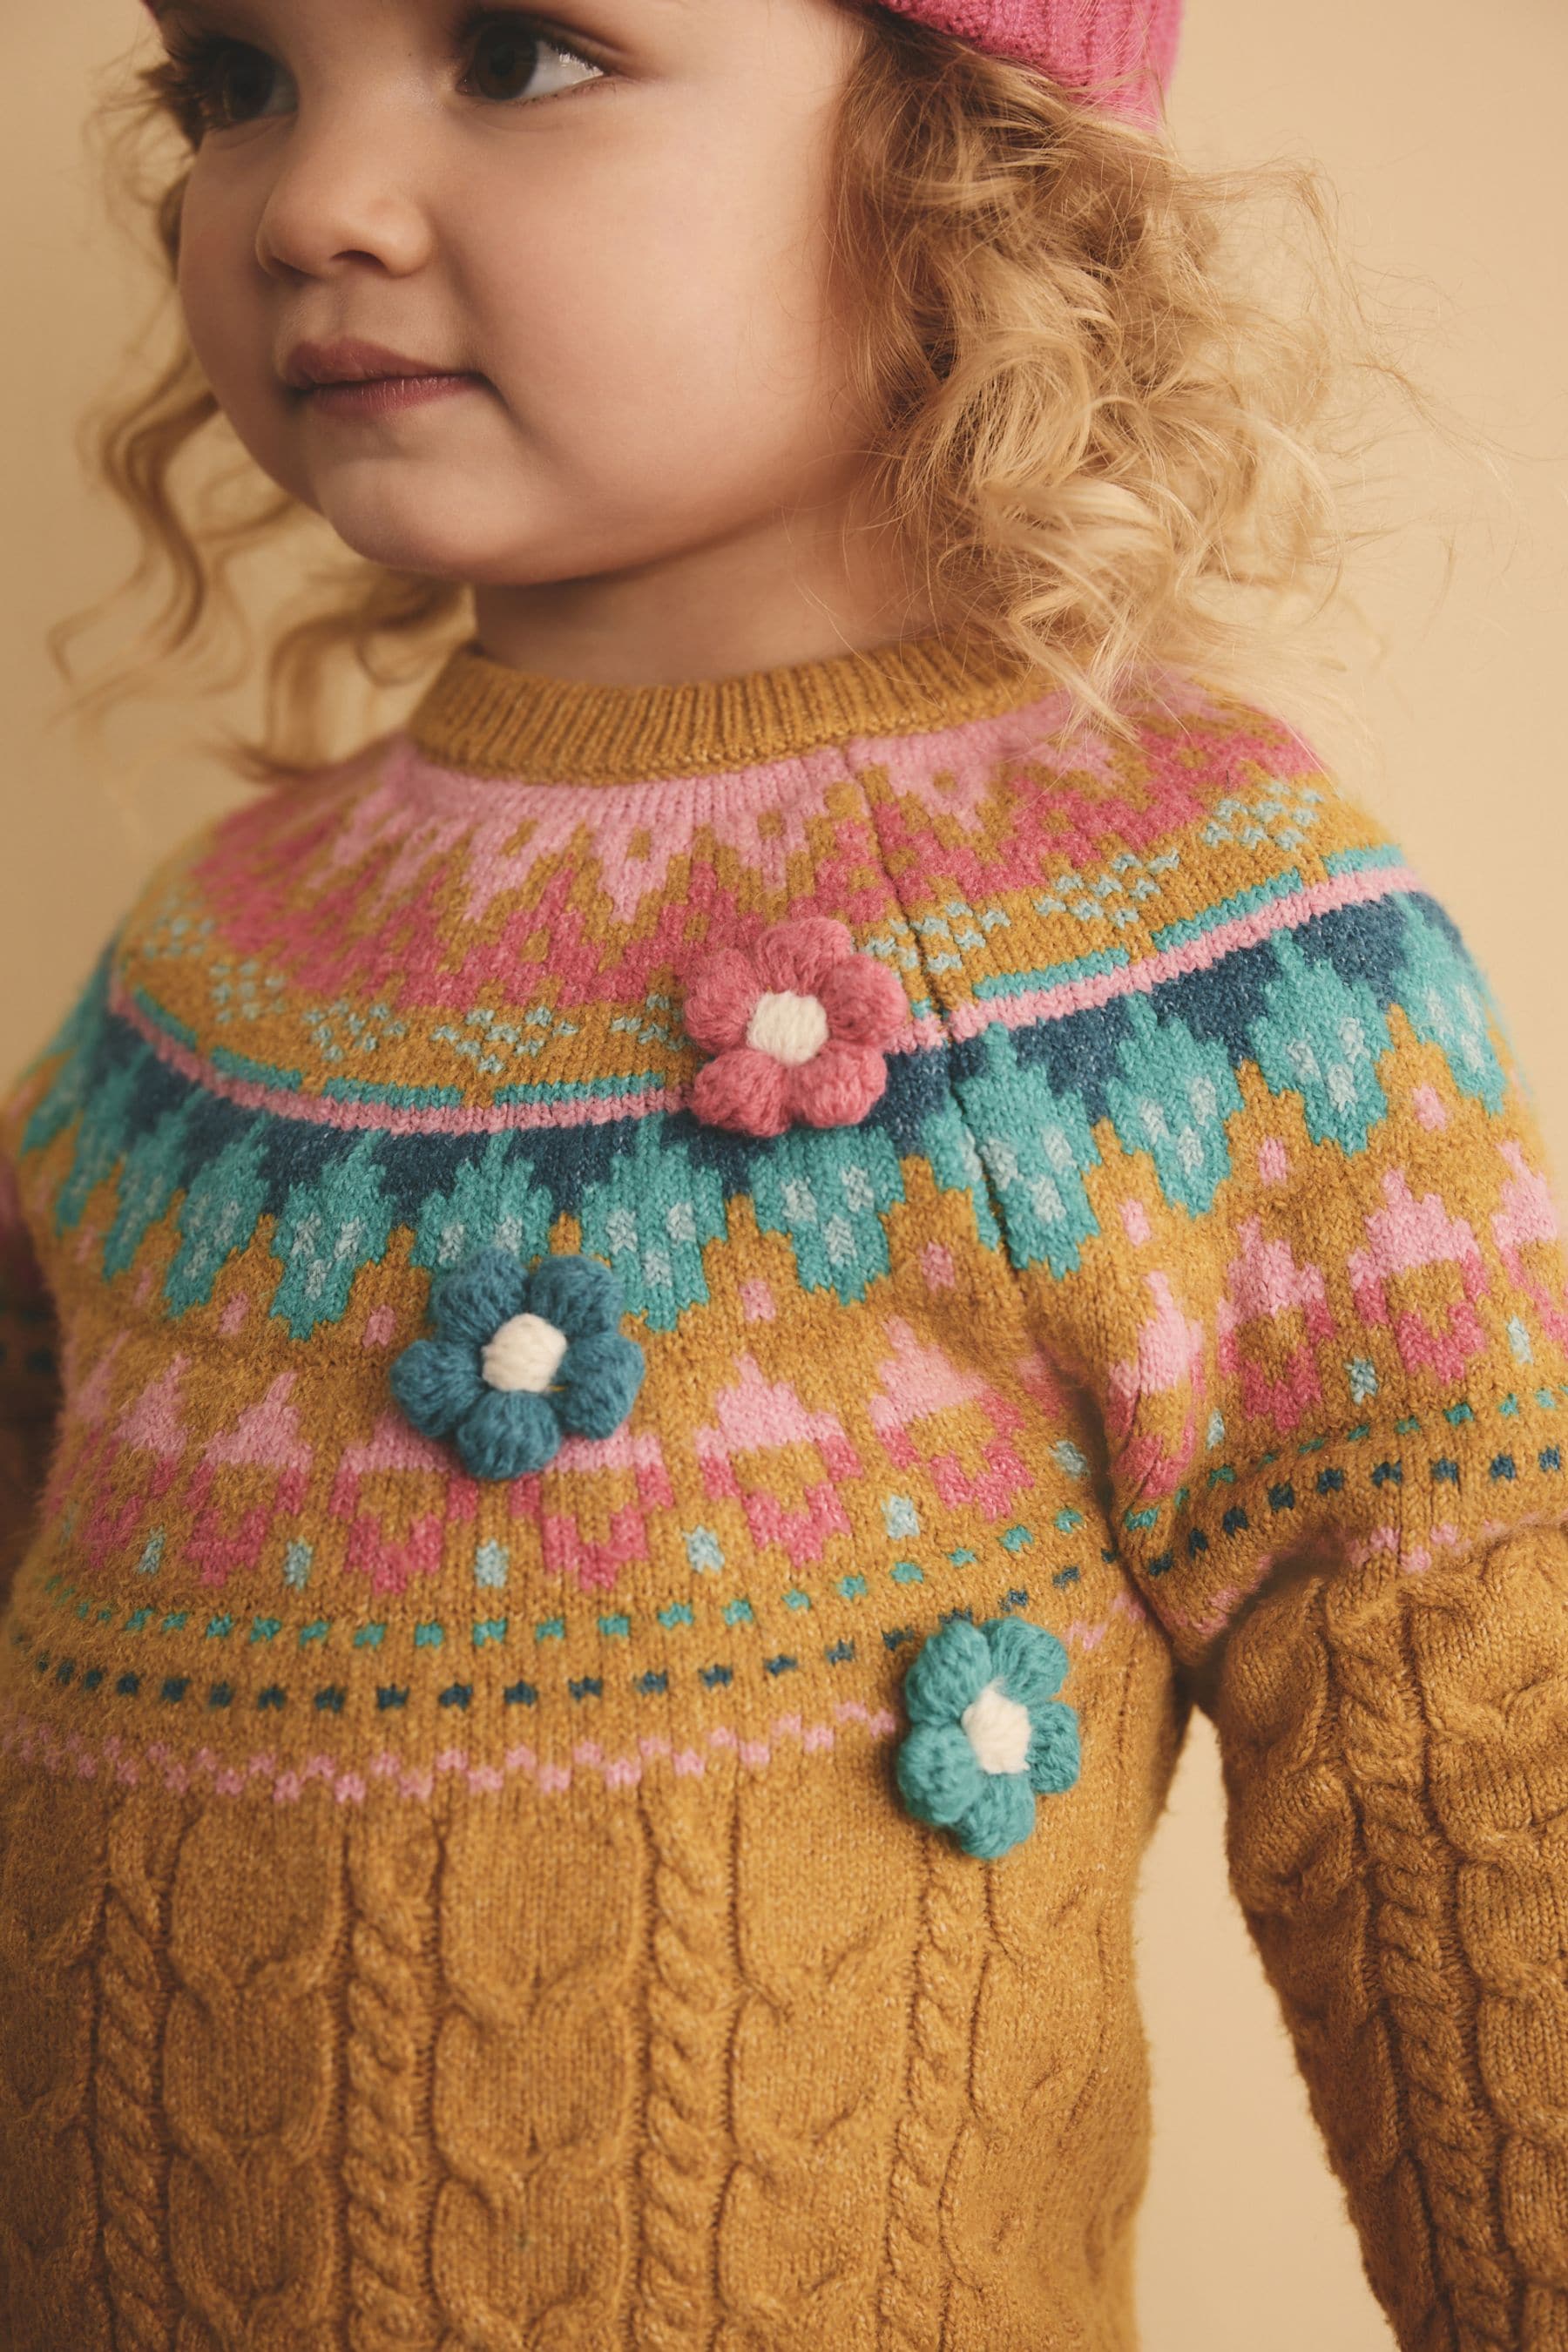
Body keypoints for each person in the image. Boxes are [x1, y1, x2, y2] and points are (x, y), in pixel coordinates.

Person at [2, 1, 1565, 2344]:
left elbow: (1494, 1819)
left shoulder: (1208, 961)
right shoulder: (209, 960)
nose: (307, 197)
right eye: (233, 79)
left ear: (959, 156)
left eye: (520, 54)